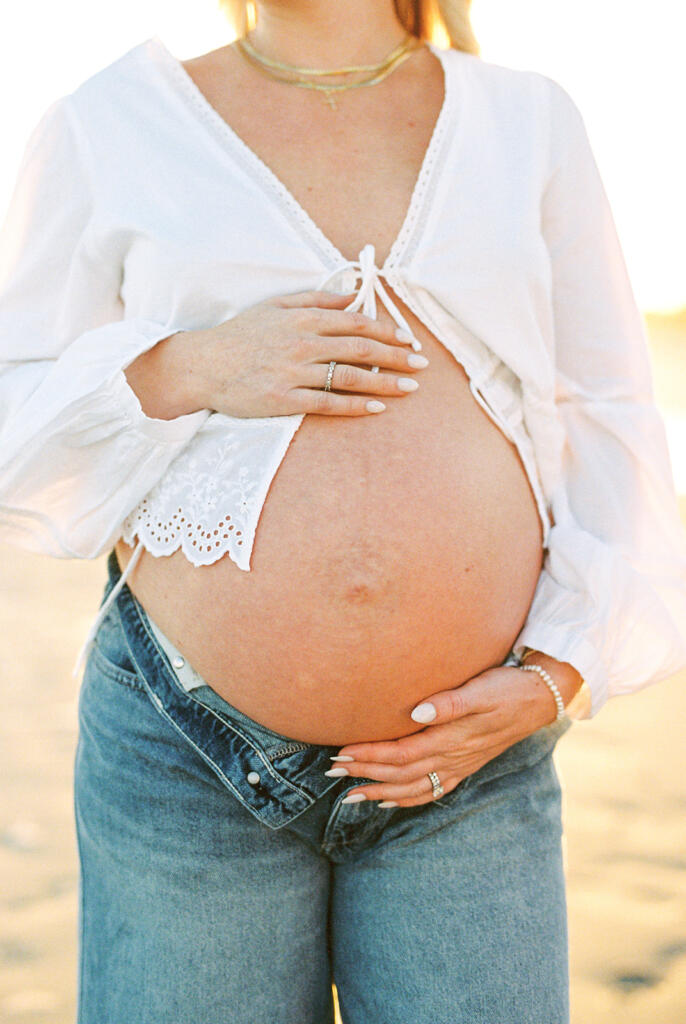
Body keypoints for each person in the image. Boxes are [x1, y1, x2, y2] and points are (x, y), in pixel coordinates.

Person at [1, 1, 685, 1021]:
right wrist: (193, 364)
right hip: (185, 751)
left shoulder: (526, 119)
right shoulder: (110, 120)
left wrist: (558, 675)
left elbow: (610, 410)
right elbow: (20, 413)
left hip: (470, 768)